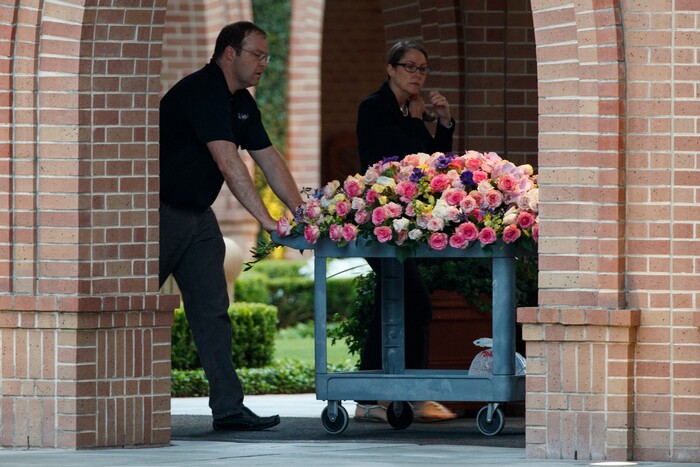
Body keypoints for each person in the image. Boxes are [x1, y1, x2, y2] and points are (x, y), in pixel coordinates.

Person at [159, 21, 304, 431]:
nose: (264, 64)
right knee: (126, 303)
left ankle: (228, 408)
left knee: (213, 313)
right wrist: (266, 221)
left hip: (198, 218)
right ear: (229, 53)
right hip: (160, 215)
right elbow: (228, 160)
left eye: (266, 56)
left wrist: (305, 214)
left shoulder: (241, 102)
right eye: (257, 55)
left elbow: (268, 158)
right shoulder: (203, 90)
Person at [354, 40, 458, 423]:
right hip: (375, 222)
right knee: (415, 300)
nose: (417, 75)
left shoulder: (410, 111)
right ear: (391, 69)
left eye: (423, 69)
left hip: (404, 223)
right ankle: (405, 395)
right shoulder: (375, 108)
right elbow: (396, 161)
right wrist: (416, 121)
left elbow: (436, 163)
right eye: (410, 67)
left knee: (395, 300)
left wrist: (442, 121)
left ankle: (382, 396)